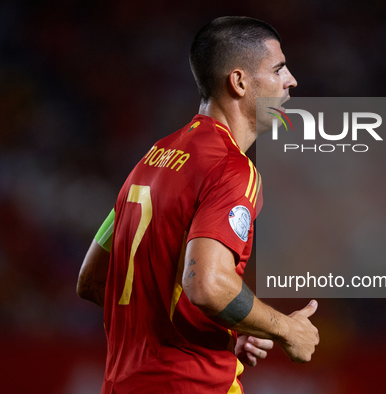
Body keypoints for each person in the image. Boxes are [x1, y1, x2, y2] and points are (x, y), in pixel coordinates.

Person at [77, 16, 319, 393]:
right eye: (279, 69)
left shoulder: (151, 160)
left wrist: (218, 326)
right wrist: (288, 330)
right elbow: (206, 286)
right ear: (239, 82)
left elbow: (92, 279)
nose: (291, 81)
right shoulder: (232, 168)